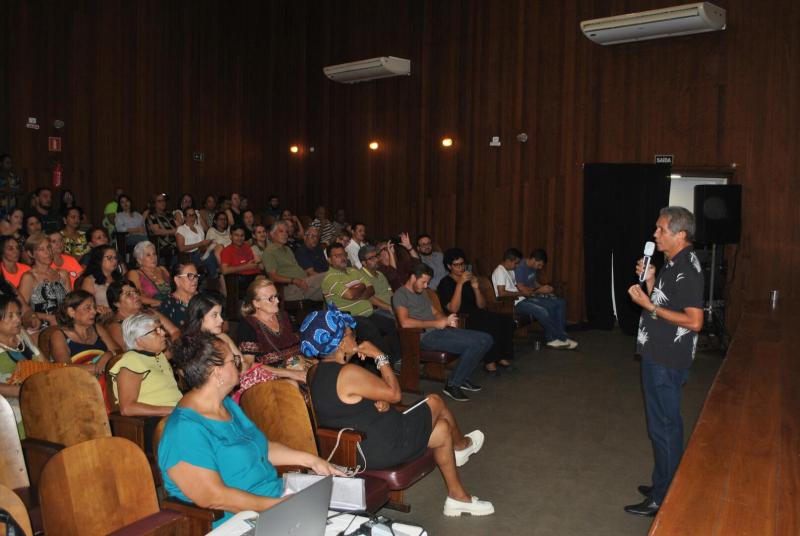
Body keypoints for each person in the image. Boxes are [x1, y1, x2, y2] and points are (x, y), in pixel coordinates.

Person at [302, 306, 494, 517]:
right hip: (383, 447)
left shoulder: (315, 372)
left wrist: (377, 401)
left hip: (358, 448)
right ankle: (462, 446)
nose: (355, 338)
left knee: (441, 429)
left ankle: (457, 497)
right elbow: (395, 394)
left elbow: (345, 404)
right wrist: (380, 356)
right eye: (351, 334)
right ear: (340, 342)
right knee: (435, 401)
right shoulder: (348, 372)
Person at [159, 331, 342, 528]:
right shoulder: (184, 431)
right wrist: (280, 506)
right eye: (234, 360)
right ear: (216, 372)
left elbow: (261, 447)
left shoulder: (226, 405)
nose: (241, 364)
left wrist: (313, 461)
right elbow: (214, 498)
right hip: (238, 520)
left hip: (274, 500)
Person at [624, 207, 704, 517]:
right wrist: (651, 280)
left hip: (666, 360)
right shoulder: (672, 263)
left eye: (661, 230)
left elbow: (694, 322)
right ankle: (663, 481)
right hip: (657, 353)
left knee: (665, 427)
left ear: (680, 235)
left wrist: (647, 306)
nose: (655, 234)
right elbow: (661, 302)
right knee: (661, 425)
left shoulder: (690, 269)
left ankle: (664, 497)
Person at [393, 263, 491, 402]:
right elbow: (405, 322)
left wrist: (445, 320)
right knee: (474, 344)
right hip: (422, 337)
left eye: (428, 282)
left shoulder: (423, 292)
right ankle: (453, 384)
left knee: (486, 338)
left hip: (439, 331)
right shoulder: (400, 294)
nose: (426, 286)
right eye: (424, 282)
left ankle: (461, 378)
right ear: (413, 277)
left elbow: (435, 312)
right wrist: (436, 323)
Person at [438, 248, 515, 376]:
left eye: (462, 264)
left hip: (476, 313)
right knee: (488, 325)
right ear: (449, 266)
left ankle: (501, 356)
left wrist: (476, 288)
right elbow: (453, 309)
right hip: (460, 318)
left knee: (505, 320)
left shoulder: (468, 280)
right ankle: (490, 362)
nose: (461, 267)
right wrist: (460, 284)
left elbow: (481, 305)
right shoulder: (445, 283)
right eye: (457, 265)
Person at [323, 243, 400, 367]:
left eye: (344, 254)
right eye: (337, 256)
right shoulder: (329, 278)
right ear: (329, 259)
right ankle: (386, 365)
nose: (342, 258)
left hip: (368, 314)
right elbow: (350, 295)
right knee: (371, 329)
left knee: (390, 324)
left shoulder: (353, 271)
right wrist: (360, 289)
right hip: (348, 318)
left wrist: (358, 291)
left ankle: (397, 360)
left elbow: (371, 289)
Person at [236, 277, 314, 389]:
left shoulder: (284, 316)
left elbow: (301, 345)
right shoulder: (248, 325)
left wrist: (311, 362)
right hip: (273, 379)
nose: (277, 301)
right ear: (256, 303)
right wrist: (290, 374)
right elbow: (249, 365)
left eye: (276, 296)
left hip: (299, 367)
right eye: (271, 298)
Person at [491, 248, 577, 349]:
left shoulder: (509, 270)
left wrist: (531, 291)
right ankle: (561, 338)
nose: (517, 266)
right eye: (516, 263)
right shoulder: (499, 271)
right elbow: (501, 293)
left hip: (521, 299)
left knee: (552, 305)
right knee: (542, 311)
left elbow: (517, 286)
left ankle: (554, 339)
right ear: (508, 261)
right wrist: (522, 292)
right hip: (512, 304)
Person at [109, 313, 182, 417]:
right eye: (155, 331)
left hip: (175, 416)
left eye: (160, 329)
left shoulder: (159, 356)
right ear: (139, 341)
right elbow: (127, 408)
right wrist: (174, 410)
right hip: (156, 421)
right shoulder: (131, 361)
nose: (163, 333)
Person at [50, 290, 120, 377]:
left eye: (94, 307)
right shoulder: (59, 336)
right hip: (81, 383)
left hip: (107, 377)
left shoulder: (97, 328)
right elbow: (64, 368)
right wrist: (96, 368)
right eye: (88, 308)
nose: (94, 312)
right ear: (71, 311)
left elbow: (119, 352)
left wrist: (109, 354)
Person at [0, 295, 42, 436]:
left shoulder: (22, 335)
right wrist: (25, 391)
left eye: (18, 314)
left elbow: (44, 364)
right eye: (10, 316)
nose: (18, 319)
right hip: (8, 403)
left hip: (36, 392)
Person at [105, 280, 179, 349]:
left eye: (136, 292)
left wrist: (171, 349)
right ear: (116, 303)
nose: (136, 296)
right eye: (128, 294)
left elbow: (175, 331)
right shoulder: (116, 327)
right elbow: (129, 353)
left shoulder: (148, 312)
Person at [262, 221, 324, 301]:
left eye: (287, 232)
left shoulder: (288, 249)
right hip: (290, 288)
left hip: (304, 284)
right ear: (271, 234)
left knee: (331, 293)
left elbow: (297, 269)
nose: (285, 234)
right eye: (281, 231)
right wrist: (293, 280)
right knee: (329, 276)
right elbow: (273, 277)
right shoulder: (269, 251)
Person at [18, 234, 71, 328]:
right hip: (42, 328)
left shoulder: (62, 274)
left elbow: (71, 303)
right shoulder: (29, 278)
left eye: (48, 247)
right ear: (31, 254)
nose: (48, 252)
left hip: (65, 324)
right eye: (41, 249)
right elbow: (23, 311)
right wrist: (48, 317)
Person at [515, 249, 568, 339]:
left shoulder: (532, 268)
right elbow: (521, 288)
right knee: (550, 306)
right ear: (533, 259)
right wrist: (540, 290)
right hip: (526, 297)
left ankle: (560, 332)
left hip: (535, 294)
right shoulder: (521, 268)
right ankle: (553, 337)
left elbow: (534, 282)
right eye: (539, 265)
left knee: (561, 302)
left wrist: (545, 288)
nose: (540, 268)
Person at [175, 207, 220, 281]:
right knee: (210, 258)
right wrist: (199, 244)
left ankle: (215, 275)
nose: (192, 217)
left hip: (202, 251)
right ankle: (214, 276)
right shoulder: (181, 229)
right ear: (185, 217)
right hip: (190, 256)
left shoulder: (199, 227)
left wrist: (208, 242)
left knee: (217, 249)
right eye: (190, 215)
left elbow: (203, 243)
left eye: (194, 215)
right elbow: (181, 248)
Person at [220, 224, 262, 294]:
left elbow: (254, 263)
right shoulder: (227, 250)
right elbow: (224, 270)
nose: (239, 238)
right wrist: (246, 266)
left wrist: (257, 263)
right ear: (230, 236)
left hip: (255, 275)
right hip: (240, 279)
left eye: (242, 236)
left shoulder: (247, 247)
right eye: (236, 235)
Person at [127, 241, 171, 306]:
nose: (153, 257)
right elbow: (137, 297)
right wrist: (160, 303)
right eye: (148, 255)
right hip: (152, 309)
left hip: (170, 305)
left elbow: (174, 289)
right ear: (139, 260)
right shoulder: (135, 274)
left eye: (154, 254)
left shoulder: (162, 269)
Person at [79, 245, 122, 311]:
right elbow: (86, 305)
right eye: (109, 258)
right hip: (104, 317)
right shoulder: (89, 280)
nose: (114, 261)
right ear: (99, 259)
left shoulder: (120, 278)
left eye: (115, 257)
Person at [159, 262, 200, 328]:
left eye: (196, 276)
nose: (195, 279)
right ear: (177, 280)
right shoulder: (168, 305)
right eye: (190, 276)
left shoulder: (203, 298)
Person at [146, 193, 177, 265]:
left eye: (163, 200)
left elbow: (177, 226)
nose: (163, 203)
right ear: (154, 204)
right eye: (159, 201)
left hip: (175, 241)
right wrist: (173, 231)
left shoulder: (169, 214)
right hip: (162, 243)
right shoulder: (152, 216)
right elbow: (157, 231)